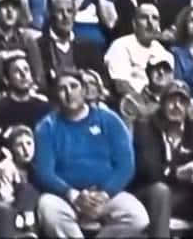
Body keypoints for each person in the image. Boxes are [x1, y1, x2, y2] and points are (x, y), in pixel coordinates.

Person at [32, 70, 148, 237]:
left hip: (105, 195)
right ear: (56, 95)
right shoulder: (46, 126)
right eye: (62, 89)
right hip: (66, 197)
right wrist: (72, 195)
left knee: (138, 217)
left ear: (84, 90)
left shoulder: (109, 120)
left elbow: (126, 165)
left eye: (74, 86)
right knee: (47, 207)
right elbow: (45, 172)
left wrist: (104, 194)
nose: (69, 93)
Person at [133, 82, 193, 239]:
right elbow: (147, 169)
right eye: (171, 100)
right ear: (162, 103)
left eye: (182, 101)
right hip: (151, 194)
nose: (176, 106)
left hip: (187, 194)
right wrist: (176, 173)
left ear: (188, 106)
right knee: (161, 191)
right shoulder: (146, 126)